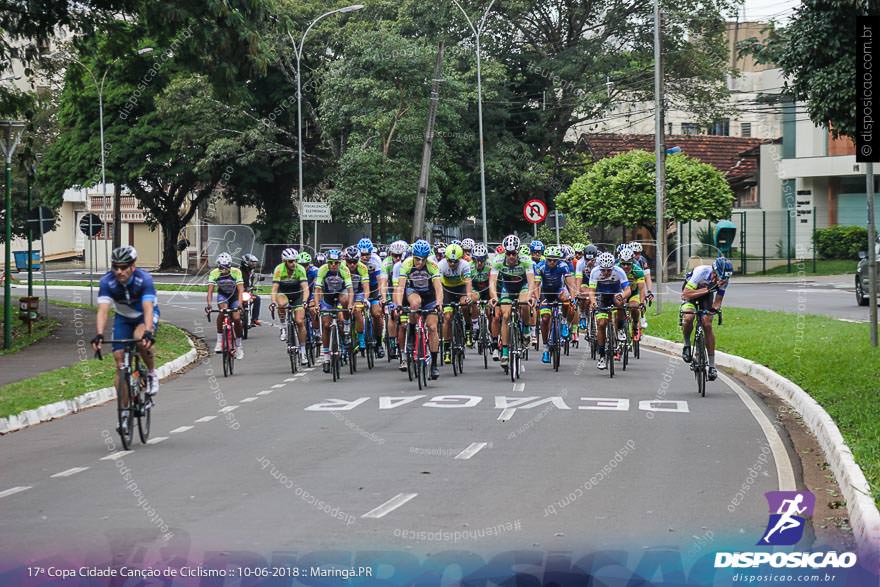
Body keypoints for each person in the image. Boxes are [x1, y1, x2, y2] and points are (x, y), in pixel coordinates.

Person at [91, 246, 160, 400]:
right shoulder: (107, 282)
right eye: (115, 267)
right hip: (123, 317)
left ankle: (151, 373)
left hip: (144, 315)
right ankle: (124, 414)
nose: (119, 271)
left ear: (133, 267)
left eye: (123, 267)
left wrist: (148, 331)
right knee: (119, 359)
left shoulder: (144, 280)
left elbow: (148, 308)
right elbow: (103, 310)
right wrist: (99, 334)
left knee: (140, 338)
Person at [395, 239, 443, 380]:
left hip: (430, 296)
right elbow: (400, 287)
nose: (419, 263)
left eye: (422, 260)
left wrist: (439, 303)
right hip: (414, 291)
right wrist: (398, 305)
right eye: (417, 259)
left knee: (433, 328)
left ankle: (434, 364)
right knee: (415, 304)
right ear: (413, 256)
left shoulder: (433, 266)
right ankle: (411, 333)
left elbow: (438, 287)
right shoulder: (407, 264)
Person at [680, 256, 732, 381]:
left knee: (707, 324)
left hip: (706, 298)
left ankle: (712, 366)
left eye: (725, 279)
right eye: (721, 277)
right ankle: (687, 344)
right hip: (691, 295)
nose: (723, 281)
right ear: (714, 272)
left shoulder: (724, 280)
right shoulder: (701, 272)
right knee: (688, 318)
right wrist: (708, 289)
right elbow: (686, 293)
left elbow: (718, 301)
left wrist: (713, 311)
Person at [489, 234, 536, 367]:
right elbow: (492, 282)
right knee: (505, 315)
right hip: (507, 289)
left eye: (513, 253)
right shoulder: (498, 260)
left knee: (525, 304)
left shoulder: (526, 259)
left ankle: (526, 330)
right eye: (508, 253)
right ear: (505, 252)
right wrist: (494, 298)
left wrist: (530, 297)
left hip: (523, 287)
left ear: (518, 251)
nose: (511, 256)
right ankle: (504, 351)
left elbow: (531, 281)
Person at [586, 252, 631, 370]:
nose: (606, 273)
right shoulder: (595, 272)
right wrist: (593, 301)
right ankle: (601, 355)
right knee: (601, 323)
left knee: (620, 302)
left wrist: (622, 295)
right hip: (601, 296)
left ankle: (620, 328)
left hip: (615, 293)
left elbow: (628, 289)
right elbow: (591, 290)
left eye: (609, 270)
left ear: (613, 267)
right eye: (603, 270)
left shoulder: (619, 271)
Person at [314, 249, 354, 370]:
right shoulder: (322, 270)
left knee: (345, 301)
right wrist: (316, 305)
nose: (333, 265)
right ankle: (326, 357)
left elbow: (351, 291)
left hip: (341, 293)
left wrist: (350, 305)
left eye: (336, 263)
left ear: (340, 263)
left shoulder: (344, 270)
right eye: (330, 262)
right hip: (328, 297)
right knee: (326, 325)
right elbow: (317, 290)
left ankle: (346, 326)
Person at [535, 245, 575, 363]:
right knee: (545, 319)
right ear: (545, 259)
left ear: (558, 260)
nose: (552, 262)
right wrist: (537, 299)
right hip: (545, 293)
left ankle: (563, 321)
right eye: (549, 260)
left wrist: (573, 298)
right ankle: (546, 348)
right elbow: (536, 285)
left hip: (558, 290)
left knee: (566, 301)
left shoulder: (563, 266)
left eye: (554, 260)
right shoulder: (540, 266)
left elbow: (570, 284)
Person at [270, 247, 310, 365]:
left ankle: (303, 351)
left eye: (295, 261)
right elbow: (274, 289)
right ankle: (283, 327)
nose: (293, 263)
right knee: (281, 304)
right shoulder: (279, 269)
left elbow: (305, 288)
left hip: (297, 295)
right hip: (284, 293)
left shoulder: (300, 269)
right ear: (284, 261)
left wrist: (304, 301)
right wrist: (273, 302)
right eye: (290, 261)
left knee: (299, 322)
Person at [438, 243, 476, 362]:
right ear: (446, 258)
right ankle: (447, 347)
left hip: (461, 289)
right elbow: (438, 285)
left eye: (455, 262)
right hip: (447, 290)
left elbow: (468, 282)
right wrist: (439, 300)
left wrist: (469, 296)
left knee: (465, 305)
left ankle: (468, 328)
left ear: (460, 259)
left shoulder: (465, 265)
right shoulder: (441, 265)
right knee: (447, 317)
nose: (452, 264)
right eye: (450, 261)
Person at [206, 252, 245, 359]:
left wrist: (240, 303)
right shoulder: (214, 273)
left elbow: (241, 289)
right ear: (218, 266)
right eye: (221, 267)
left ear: (230, 265)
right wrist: (209, 304)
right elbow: (210, 291)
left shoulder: (236, 272)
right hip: (223, 295)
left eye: (226, 267)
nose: (224, 270)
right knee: (222, 312)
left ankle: (238, 345)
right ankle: (219, 341)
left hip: (235, 296)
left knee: (236, 318)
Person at [358, 238, 387, 358]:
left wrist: (382, 296)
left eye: (367, 254)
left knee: (377, 313)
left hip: (373, 287)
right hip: (359, 288)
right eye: (363, 254)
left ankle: (379, 343)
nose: (365, 257)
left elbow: (381, 281)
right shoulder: (354, 260)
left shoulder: (376, 260)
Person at [240, 253, 262, 326]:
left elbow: (249, 282)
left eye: (254, 262)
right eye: (252, 262)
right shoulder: (239, 271)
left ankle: (254, 319)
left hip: (248, 293)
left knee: (257, 299)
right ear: (245, 262)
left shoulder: (251, 272)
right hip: (239, 293)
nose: (254, 264)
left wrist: (253, 286)